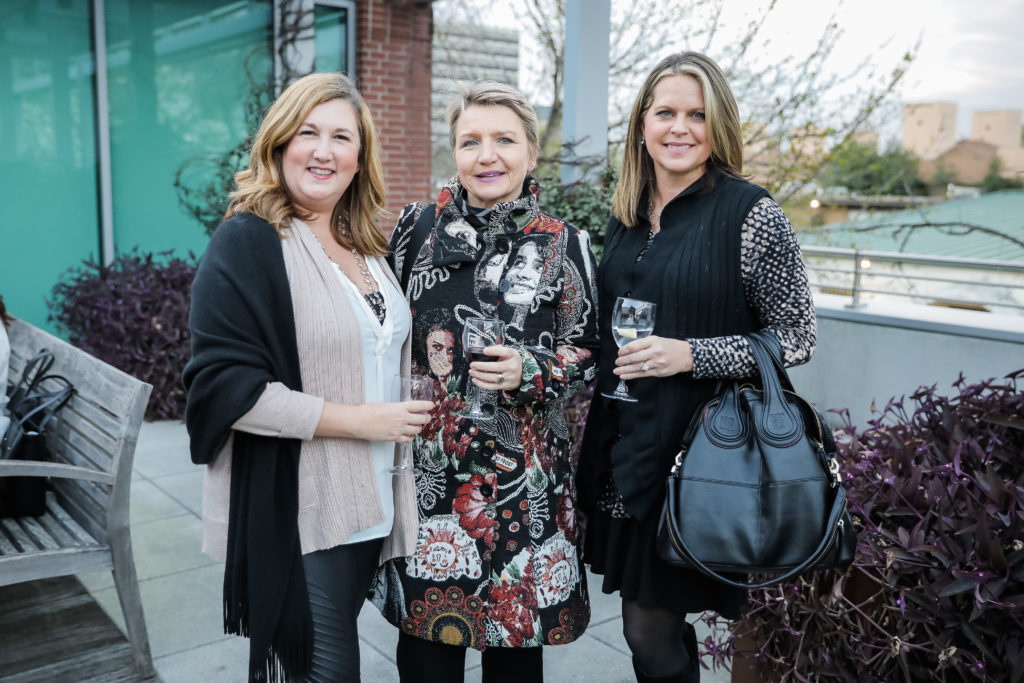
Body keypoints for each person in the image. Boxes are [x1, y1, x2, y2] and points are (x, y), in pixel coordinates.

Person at [183, 72, 431, 683]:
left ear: (359, 158)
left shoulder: (367, 244)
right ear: (278, 144)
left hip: (370, 507)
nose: (323, 150)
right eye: (308, 132)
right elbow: (223, 387)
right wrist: (359, 421)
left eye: (341, 137)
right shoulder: (249, 241)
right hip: (299, 509)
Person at [578, 52, 817, 683]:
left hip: (699, 457)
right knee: (659, 624)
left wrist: (693, 354)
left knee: (646, 630)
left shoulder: (750, 212)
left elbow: (798, 335)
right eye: (665, 112)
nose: (680, 128)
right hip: (624, 448)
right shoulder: (626, 210)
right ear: (642, 125)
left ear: (719, 126)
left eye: (697, 114)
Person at [373, 81, 600, 683]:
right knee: (426, 656)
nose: (486, 154)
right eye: (470, 141)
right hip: (429, 481)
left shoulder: (564, 243)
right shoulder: (413, 230)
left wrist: (533, 370)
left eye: (504, 139)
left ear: (530, 153)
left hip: (525, 488)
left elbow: (589, 349)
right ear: (454, 152)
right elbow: (383, 330)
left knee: (514, 664)